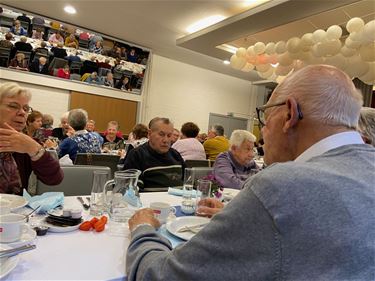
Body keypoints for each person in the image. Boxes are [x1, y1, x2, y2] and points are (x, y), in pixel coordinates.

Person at [126, 65, 375, 281]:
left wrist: (143, 229)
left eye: (265, 119)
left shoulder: (280, 186)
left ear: (290, 114)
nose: (261, 134)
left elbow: (160, 276)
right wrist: (245, 217)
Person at [0, 82, 63, 194]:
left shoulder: (26, 143)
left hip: (14, 209)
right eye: (13, 106)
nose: (22, 113)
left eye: (26, 108)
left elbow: (55, 178)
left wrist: (34, 149)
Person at [123, 117, 185, 190]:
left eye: (169, 136)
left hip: (178, 200)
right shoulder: (137, 155)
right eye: (161, 134)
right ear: (149, 134)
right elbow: (133, 191)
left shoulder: (175, 154)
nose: (166, 140)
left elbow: (188, 182)